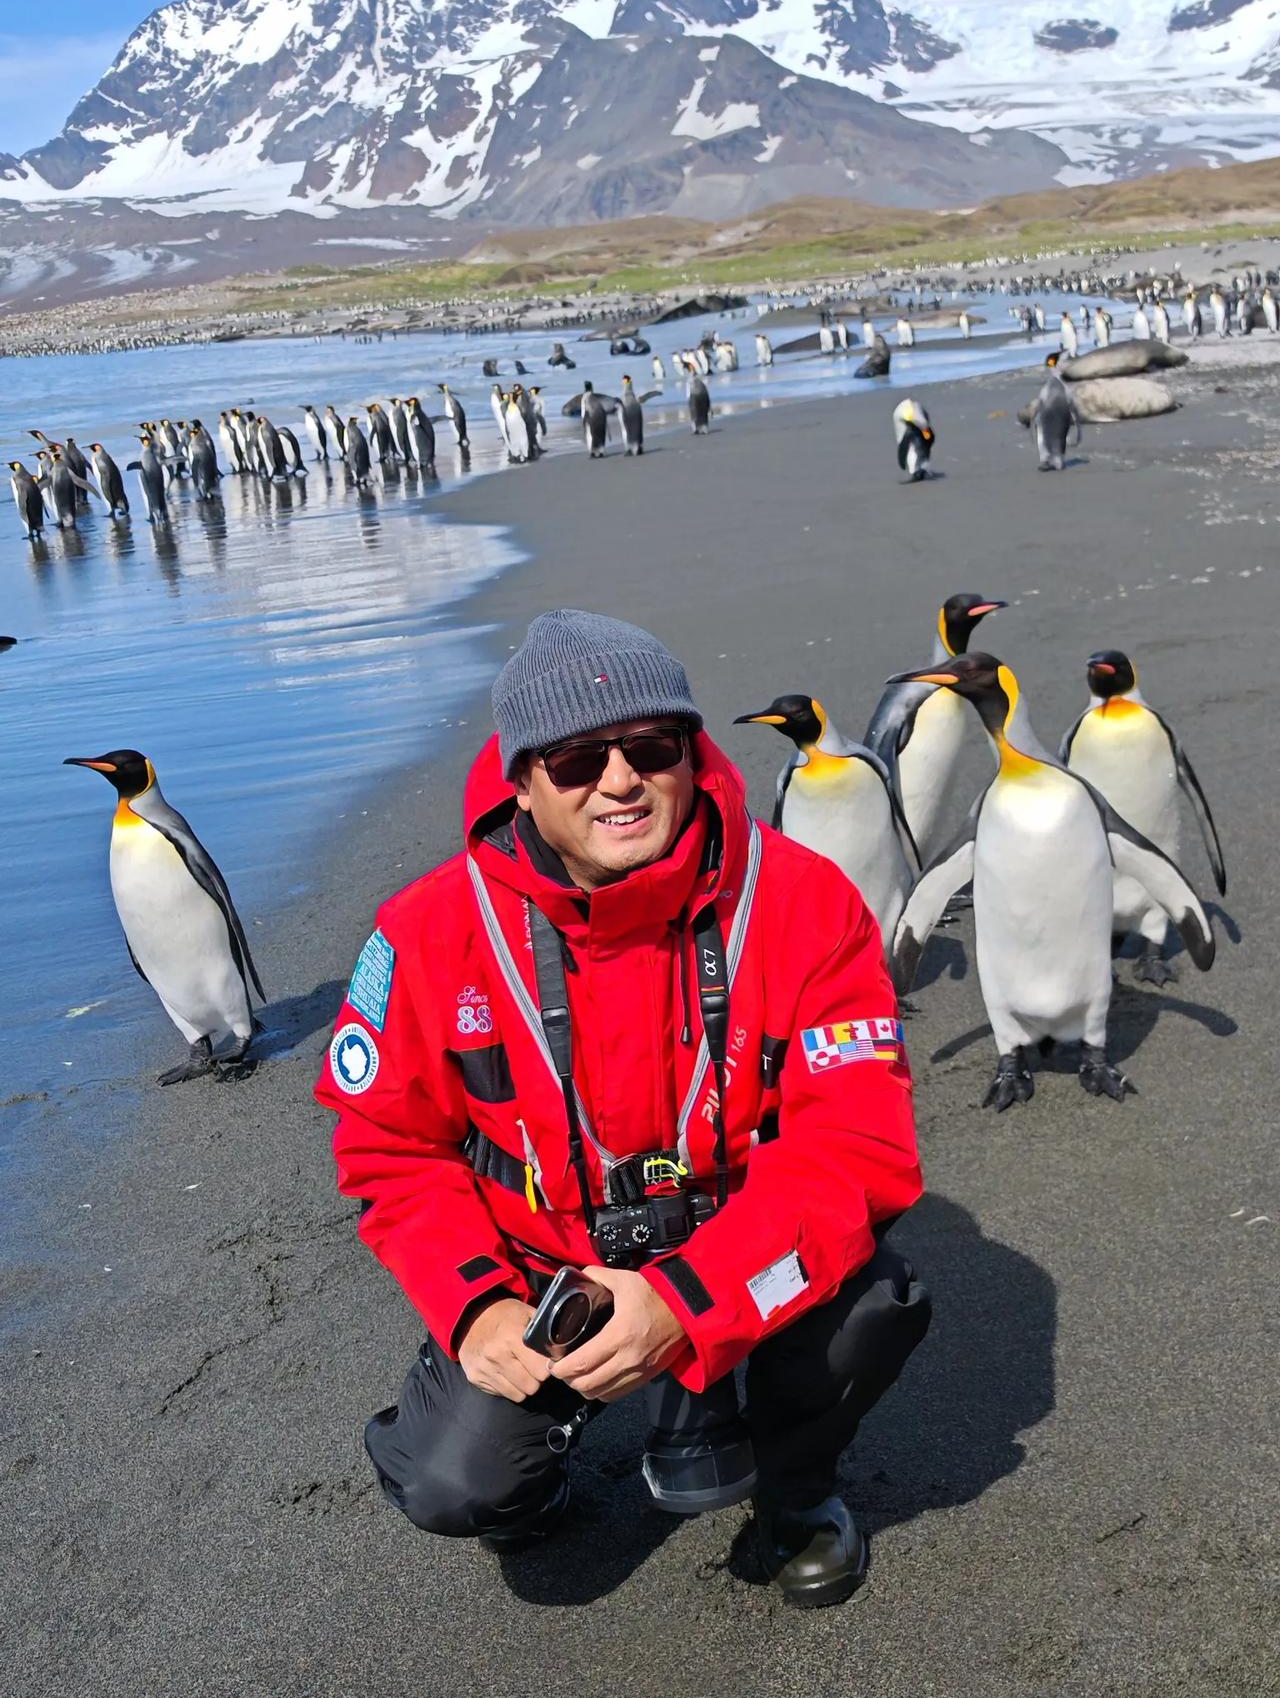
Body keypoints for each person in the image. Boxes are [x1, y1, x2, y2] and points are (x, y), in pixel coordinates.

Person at [316, 609, 931, 1608]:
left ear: (689, 752)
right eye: (573, 760)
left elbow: (853, 1146)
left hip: (735, 1242)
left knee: (869, 1303)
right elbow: (388, 1147)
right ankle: (528, 1482)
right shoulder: (429, 930)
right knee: (451, 1479)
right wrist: (477, 1300)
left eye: (649, 746)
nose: (618, 779)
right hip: (543, 1267)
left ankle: (798, 1493)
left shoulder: (803, 901)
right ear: (519, 778)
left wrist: (688, 1298)